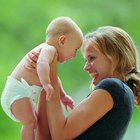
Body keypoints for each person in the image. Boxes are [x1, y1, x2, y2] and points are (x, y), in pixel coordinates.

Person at [34, 26, 140, 140]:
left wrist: (52, 72)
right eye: (86, 60)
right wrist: (47, 83)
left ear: (115, 57)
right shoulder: (121, 92)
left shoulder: (114, 87)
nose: (85, 67)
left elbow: (61, 136)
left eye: (92, 58)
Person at [1, 16, 83, 140]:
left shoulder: (50, 53)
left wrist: (62, 95)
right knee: (31, 122)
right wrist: (46, 84)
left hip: (22, 94)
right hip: (17, 94)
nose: (74, 55)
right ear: (62, 41)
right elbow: (41, 63)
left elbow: (54, 78)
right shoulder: (49, 49)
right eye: (75, 49)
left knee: (34, 123)